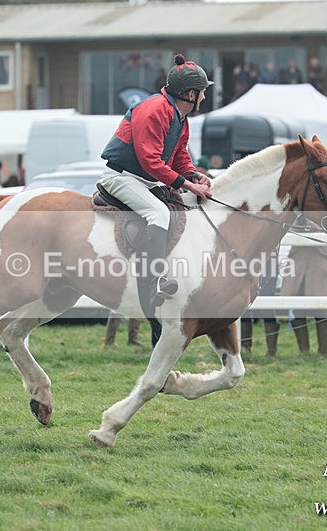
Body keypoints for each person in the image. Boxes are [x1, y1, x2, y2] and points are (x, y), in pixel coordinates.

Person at [100, 53, 213, 312]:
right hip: (122, 177)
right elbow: (151, 161)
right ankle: (156, 280)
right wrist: (187, 184)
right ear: (190, 95)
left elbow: (180, 157)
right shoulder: (154, 110)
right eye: (202, 92)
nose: (204, 97)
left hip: (145, 181)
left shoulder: (181, 118)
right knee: (158, 213)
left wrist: (194, 175)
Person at [280, 219, 327, 357]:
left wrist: (317, 226)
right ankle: (304, 352)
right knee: (298, 309)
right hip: (298, 262)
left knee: (321, 310)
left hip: (318, 261)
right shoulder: (297, 213)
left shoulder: (325, 213)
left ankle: (323, 352)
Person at [240, 253, 280, 358]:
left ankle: (271, 350)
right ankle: (245, 349)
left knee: (268, 303)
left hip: (267, 259)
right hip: (247, 257)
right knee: (245, 302)